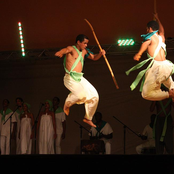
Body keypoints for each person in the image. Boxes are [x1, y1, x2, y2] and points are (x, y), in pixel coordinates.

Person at [55, 34, 106, 127]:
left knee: (95, 95)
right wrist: (60, 52)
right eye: (84, 43)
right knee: (80, 94)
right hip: (70, 78)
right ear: (78, 42)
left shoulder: (84, 51)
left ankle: (88, 118)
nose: (86, 45)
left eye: (87, 44)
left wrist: (100, 54)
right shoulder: (71, 49)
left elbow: (94, 57)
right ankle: (67, 104)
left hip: (80, 78)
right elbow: (65, 50)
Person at [126, 13, 174, 101]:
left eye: (147, 29)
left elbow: (146, 43)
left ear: (150, 28)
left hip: (158, 68)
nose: (146, 31)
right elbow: (162, 30)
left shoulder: (150, 36)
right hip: (167, 66)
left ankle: (169, 94)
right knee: (168, 81)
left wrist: (139, 53)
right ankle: (172, 89)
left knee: (146, 94)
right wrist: (158, 18)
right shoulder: (161, 37)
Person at [150, 85, 174, 154]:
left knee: (168, 140)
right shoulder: (157, 98)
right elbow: (151, 109)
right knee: (158, 140)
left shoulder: (169, 98)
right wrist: (154, 100)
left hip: (167, 120)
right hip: (159, 120)